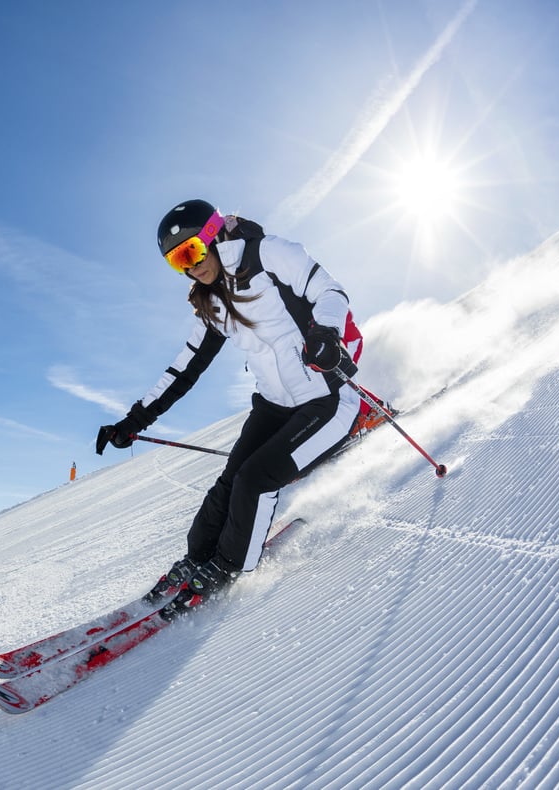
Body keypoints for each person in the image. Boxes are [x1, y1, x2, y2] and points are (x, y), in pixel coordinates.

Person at [95, 198, 363, 619]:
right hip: (274, 405)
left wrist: (326, 333)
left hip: (327, 399)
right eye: (177, 261)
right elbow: (184, 369)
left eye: (192, 251)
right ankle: (197, 558)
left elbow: (329, 290)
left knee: (255, 480)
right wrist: (132, 421)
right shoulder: (211, 305)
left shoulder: (268, 253)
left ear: (215, 235)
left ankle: (228, 568)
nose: (190, 266)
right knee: (229, 482)